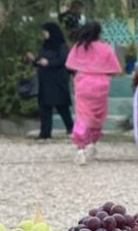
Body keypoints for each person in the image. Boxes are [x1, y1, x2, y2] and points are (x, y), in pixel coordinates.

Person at [65, 22, 122, 165]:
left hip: (83, 83)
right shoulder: (106, 48)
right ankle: (92, 142)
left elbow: (69, 65)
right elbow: (115, 69)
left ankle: (81, 148)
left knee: (83, 116)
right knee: (97, 115)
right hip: (101, 84)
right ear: (99, 33)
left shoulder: (78, 47)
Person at [26, 22, 73, 140]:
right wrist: (34, 60)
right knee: (44, 106)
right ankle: (45, 132)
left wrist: (49, 63)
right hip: (45, 81)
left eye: (46, 33)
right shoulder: (46, 46)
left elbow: (63, 60)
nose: (44, 35)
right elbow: (42, 60)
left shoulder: (61, 46)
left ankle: (71, 128)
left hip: (57, 81)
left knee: (62, 106)